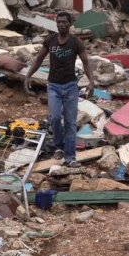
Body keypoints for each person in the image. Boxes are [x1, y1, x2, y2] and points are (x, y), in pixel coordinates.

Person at [24, 12, 95, 167]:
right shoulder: (50, 40)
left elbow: (86, 62)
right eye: (59, 22)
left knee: (70, 123)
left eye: (64, 22)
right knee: (55, 118)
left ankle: (70, 157)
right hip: (54, 86)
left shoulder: (76, 42)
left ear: (70, 24)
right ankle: (59, 146)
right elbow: (39, 59)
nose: (61, 24)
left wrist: (91, 82)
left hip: (70, 86)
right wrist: (28, 75)